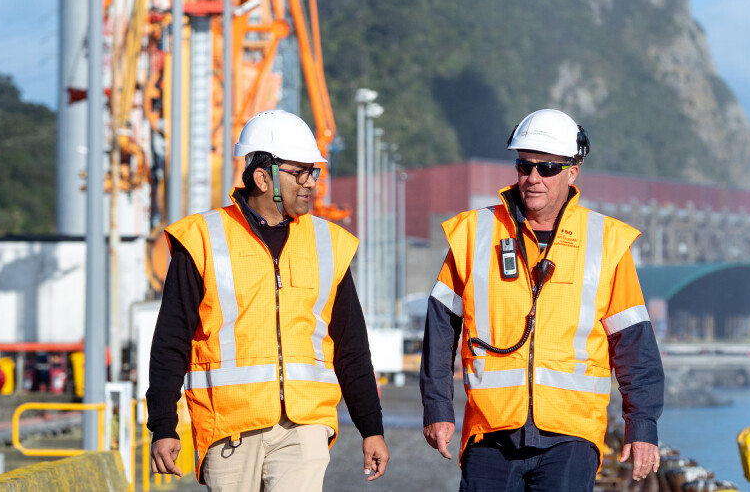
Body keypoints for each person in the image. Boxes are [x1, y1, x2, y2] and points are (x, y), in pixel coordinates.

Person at [420, 109, 664, 491]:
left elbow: (634, 346)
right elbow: (439, 331)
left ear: (573, 170)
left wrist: (643, 424)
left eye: (547, 167)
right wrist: (437, 408)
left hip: (571, 435)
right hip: (490, 431)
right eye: (524, 166)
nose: (533, 178)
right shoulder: (473, 234)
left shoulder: (605, 242)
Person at [147, 109, 389, 491]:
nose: (312, 184)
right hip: (230, 428)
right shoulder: (202, 239)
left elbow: (351, 347)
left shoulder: (329, 244)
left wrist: (371, 428)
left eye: (314, 172)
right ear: (262, 177)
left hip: (305, 427)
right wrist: (163, 423)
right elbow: (171, 341)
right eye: (300, 173)